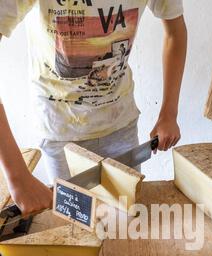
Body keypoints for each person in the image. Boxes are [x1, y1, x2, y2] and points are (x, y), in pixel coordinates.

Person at [0, 1, 187, 216]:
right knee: (73, 228)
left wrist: (169, 113)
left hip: (121, 126)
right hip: (61, 132)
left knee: (125, 224)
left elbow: (175, 32)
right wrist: (17, 177)